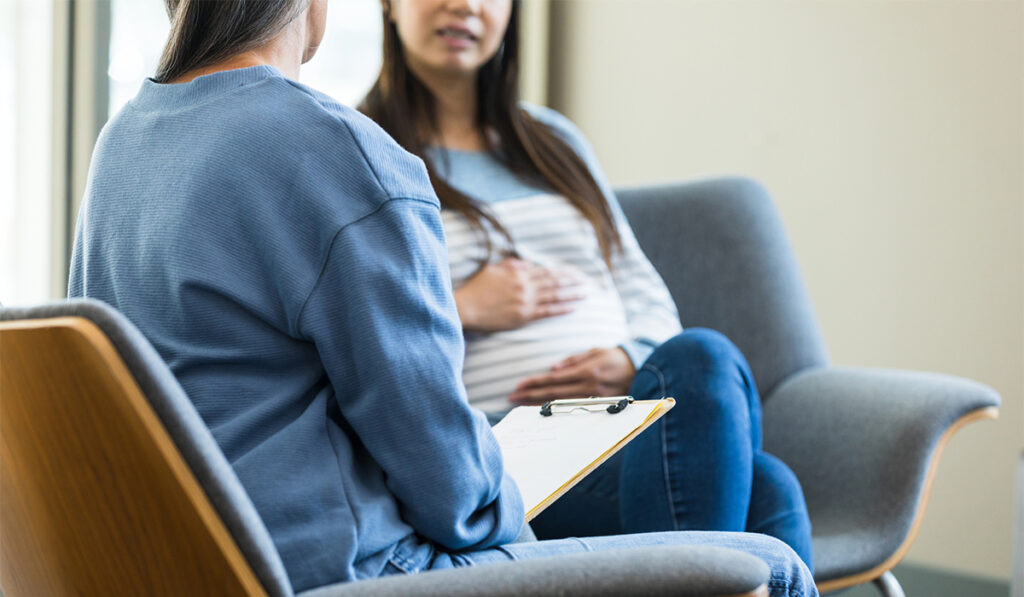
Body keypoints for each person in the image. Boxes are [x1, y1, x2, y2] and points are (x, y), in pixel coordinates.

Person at [68, 0, 816, 595]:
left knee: (759, 469)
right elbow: (451, 492)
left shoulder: (123, 143)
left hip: (181, 559)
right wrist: (529, 544)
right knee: (770, 564)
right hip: (350, 567)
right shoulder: (340, 149)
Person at [359, 0, 814, 570]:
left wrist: (628, 357)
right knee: (766, 481)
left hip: (620, 419)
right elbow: (358, 330)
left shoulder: (554, 141)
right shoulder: (363, 149)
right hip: (503, 453)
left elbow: (641, 289)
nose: (465, 5)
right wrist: (465, 305)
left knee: (705, 367)